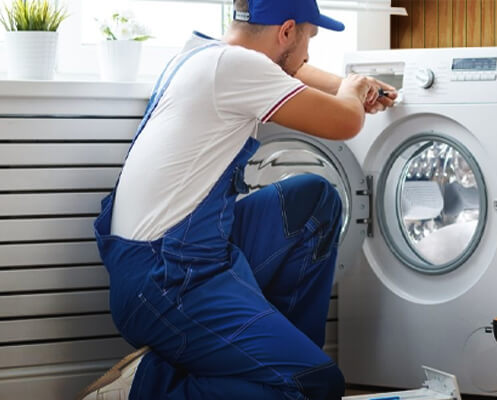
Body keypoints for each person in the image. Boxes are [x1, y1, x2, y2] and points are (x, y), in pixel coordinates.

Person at [78, 0, 396, 398]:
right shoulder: (240, 68)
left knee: (313, 202)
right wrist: (350, 90)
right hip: (168, 282)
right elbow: (345, 122)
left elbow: (294, 71)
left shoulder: (204, 54)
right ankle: (146, 388)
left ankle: (277, 357)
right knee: (316, 385)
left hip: (183, 257)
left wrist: (352, 87)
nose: (308, 53)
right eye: (308, 38)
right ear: (286, 31)